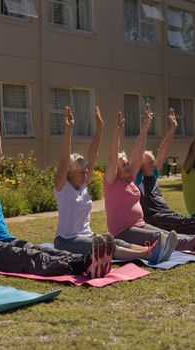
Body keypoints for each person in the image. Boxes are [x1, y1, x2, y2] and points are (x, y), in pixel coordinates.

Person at [0, 96, 104, 278]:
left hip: (6, 240)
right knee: (26, 256)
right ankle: (82, 265)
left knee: (35, 248)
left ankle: (88, 258)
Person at [53, 105, 168, 269]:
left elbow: (93, 155)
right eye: (82, 173)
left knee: (115, 241)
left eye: (87, 172)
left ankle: (152, 249)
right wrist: (68, 131)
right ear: (70, 173)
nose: (86, 175)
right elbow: (64, 161)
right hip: (66, 241)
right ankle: (147, 254)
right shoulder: (62, 189)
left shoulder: (84, 186)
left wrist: (100, 128)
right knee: (104, 247)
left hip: (88, 236)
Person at [104, 104, 195, 256]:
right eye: (123, 165)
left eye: (126, 163)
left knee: (166, 233)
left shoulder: (130, 178)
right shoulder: (111, 183)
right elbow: (111, 158)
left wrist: (145, 128)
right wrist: (117, 130)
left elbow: (138, 154)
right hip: (123, 232)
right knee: (160, 237)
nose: (127, 165)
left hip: (140, 225)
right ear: (115, 169)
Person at [136, 108, 195, 239]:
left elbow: (163, 152)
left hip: (165, 213)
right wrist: (145, 128)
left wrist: (172, 129)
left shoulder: (153, 175)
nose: (153, 165)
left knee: (183, 221)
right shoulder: (138, 180)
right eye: (150, 163)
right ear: (140, 165)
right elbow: (138, 154)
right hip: (156, 218)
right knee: (186, 223)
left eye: (153, 162)